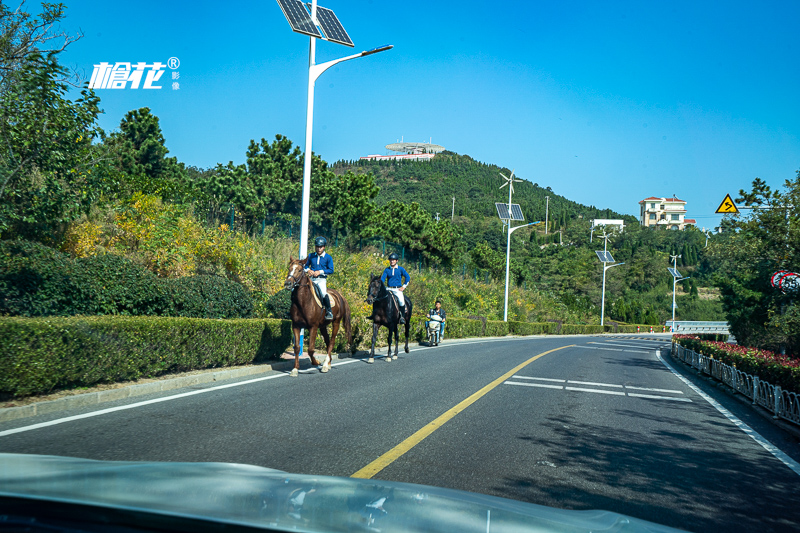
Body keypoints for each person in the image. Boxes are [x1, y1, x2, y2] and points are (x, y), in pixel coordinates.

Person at [304, 236, 334, 320]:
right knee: (299, 289)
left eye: (320, 247)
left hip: (321, 280)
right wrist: (308, 270)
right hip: (311, 279)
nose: (319, 249)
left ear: (324, 247)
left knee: (324, 293)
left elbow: (331, 270)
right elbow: (305, 266)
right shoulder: (311, 256)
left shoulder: (328, 257)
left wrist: (320, 272)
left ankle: (329, 311)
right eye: (317, 247)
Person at [380, 252, 410, 324]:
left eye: (393, 260)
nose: (392, 261)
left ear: (397, 261)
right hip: (388, 288)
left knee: (401, 301)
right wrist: (381, 284)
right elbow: (383, 278)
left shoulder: (400, 269)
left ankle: (402, 317)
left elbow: (408, 277)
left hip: (397, 289)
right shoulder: (387, 270)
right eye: (390, 260)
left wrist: (404, 286)